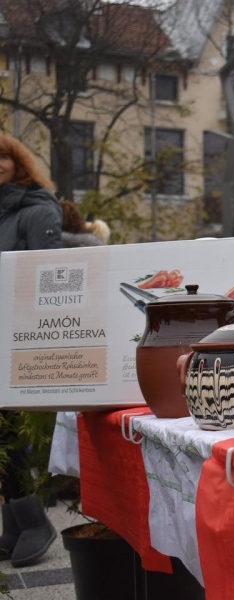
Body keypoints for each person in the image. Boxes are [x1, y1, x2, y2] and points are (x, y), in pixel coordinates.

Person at [0, 133, 61, 567]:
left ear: (17, 161)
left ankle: (35, 519)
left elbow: (50, 277)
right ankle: (15, 524)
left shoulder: (36, 209)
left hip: (17, 332)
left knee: (7, 429)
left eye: (0, 157)